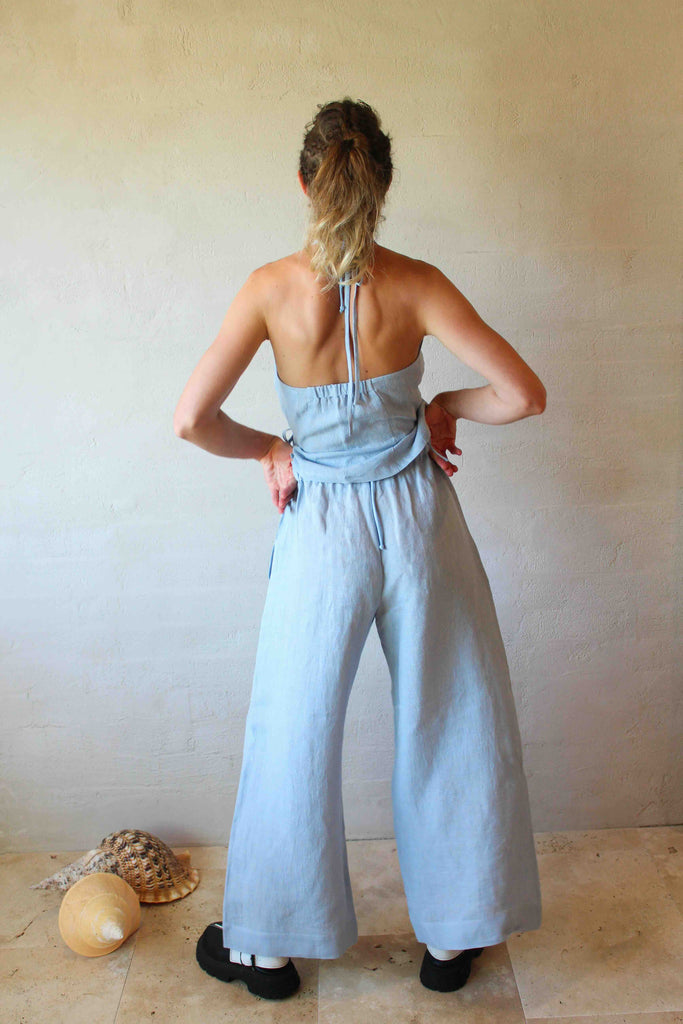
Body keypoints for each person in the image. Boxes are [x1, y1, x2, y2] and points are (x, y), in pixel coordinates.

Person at [175, 97, 546, 1002]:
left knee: (292, 727)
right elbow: (523, 395)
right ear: (381, 183)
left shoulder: (268, 287)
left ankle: (269, 950)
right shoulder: (417, 282)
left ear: (305, 183)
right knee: (451, 712)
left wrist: (270, 446)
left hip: (320, 524)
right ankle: (455, 935)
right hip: (419, 514)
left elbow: (191, 420)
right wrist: (445, 407)